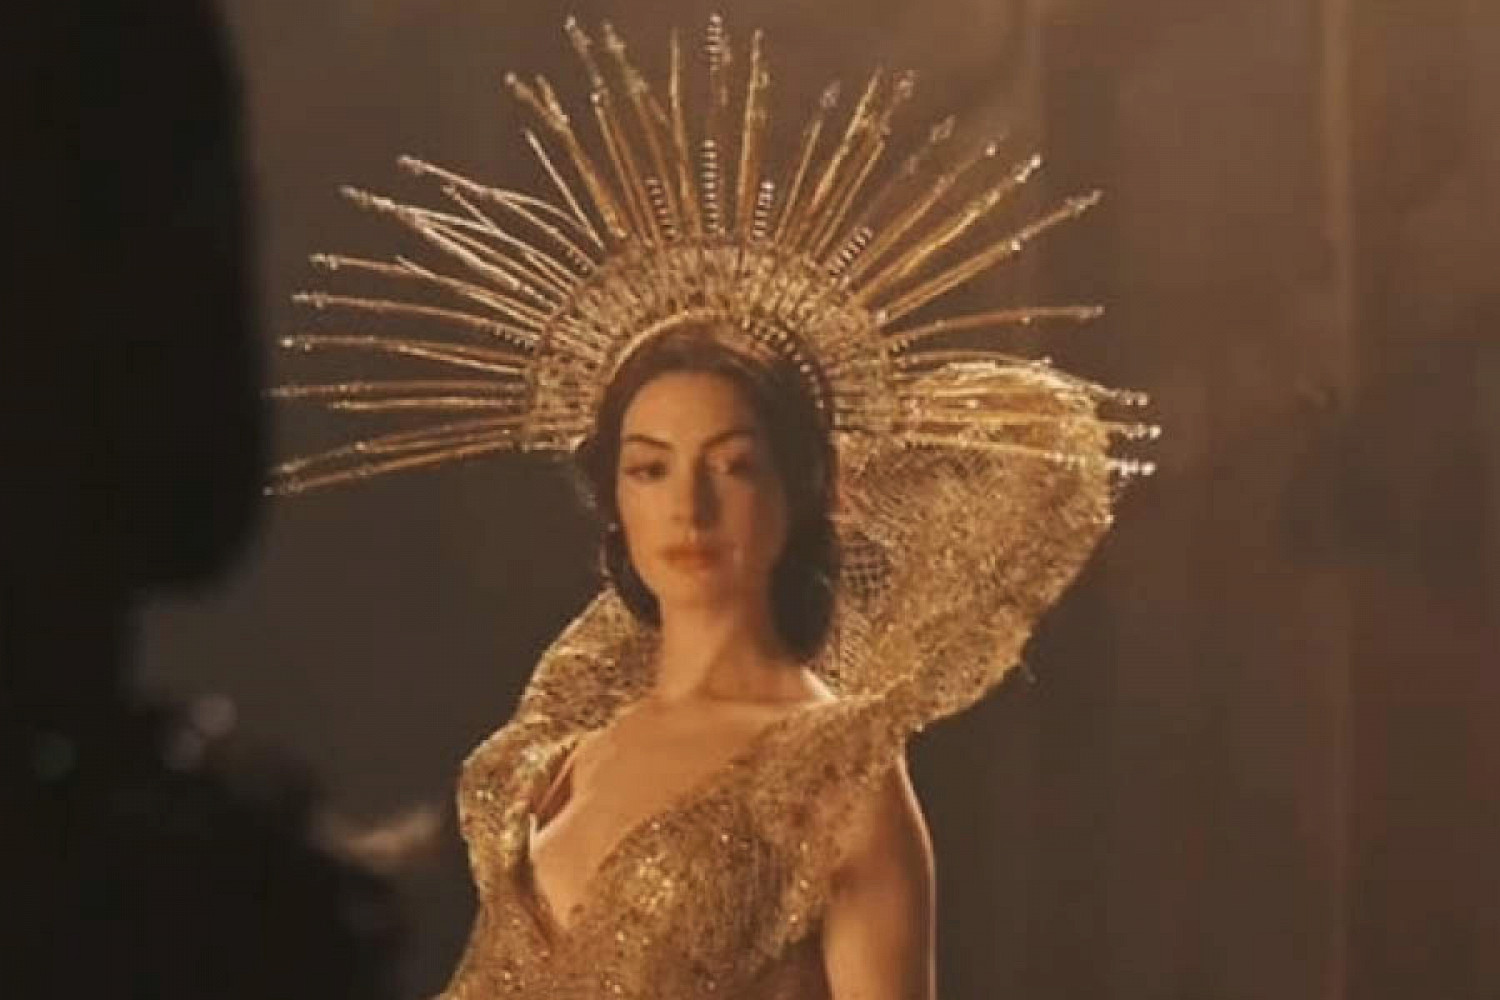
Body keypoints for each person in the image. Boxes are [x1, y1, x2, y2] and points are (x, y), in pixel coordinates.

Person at [271, 15, 1154, 998]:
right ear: (613, 494)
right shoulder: (566, 749)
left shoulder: (838, 778)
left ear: (804, 488)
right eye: (650, 469)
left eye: (731, 466)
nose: (687, 507)